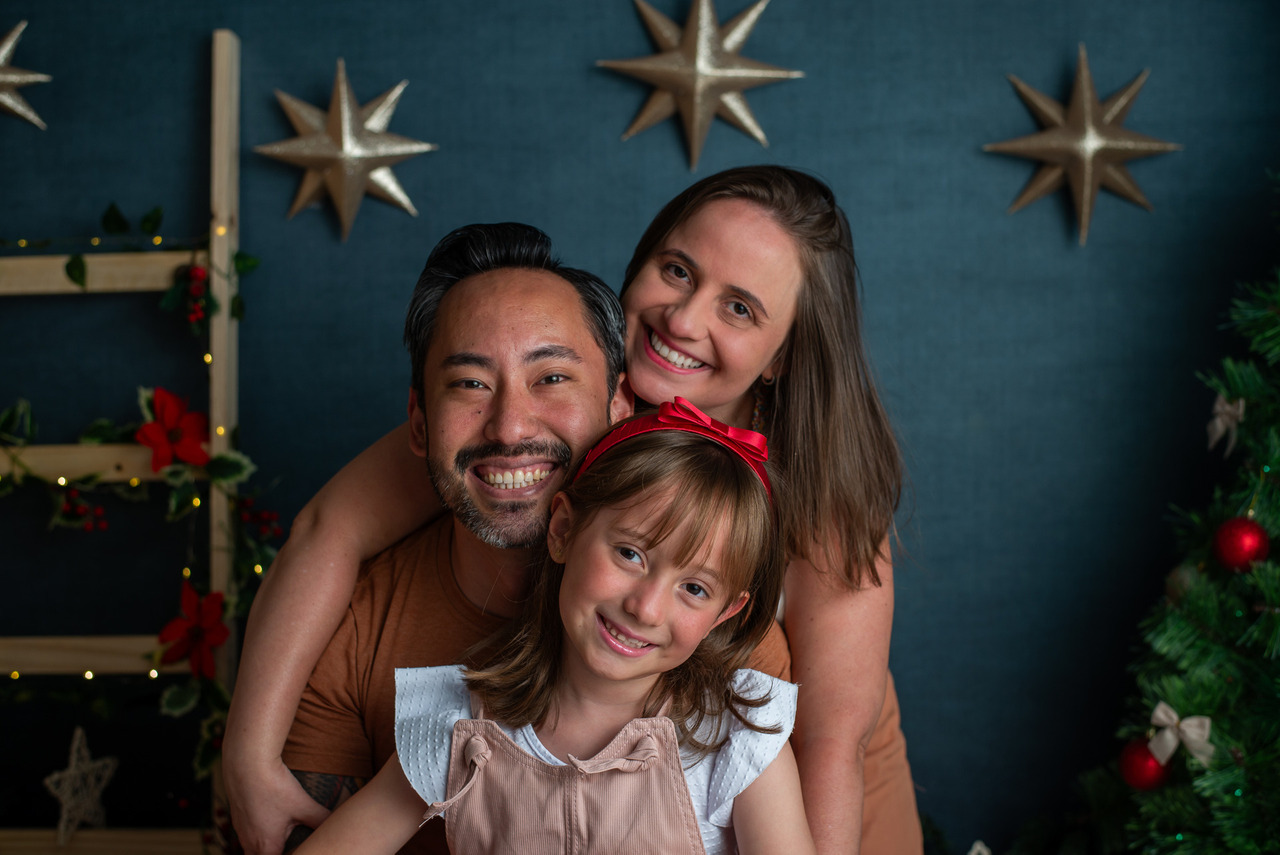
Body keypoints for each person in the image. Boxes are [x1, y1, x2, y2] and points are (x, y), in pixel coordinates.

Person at [225, 166, 920, 854]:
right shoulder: (542, 413)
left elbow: (833, 744)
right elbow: (329, 528)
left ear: (782, 356)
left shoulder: (820, 494)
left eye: (739, 308)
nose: (683, 319)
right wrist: (248, 755)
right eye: (677, 270)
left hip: (823, 801)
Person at [296, 400, 813, 855]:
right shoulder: (460, 729)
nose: (646, 608)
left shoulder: (736, 743)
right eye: (630, 554)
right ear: (563, 530)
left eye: (694, 588)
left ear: (725, 612)